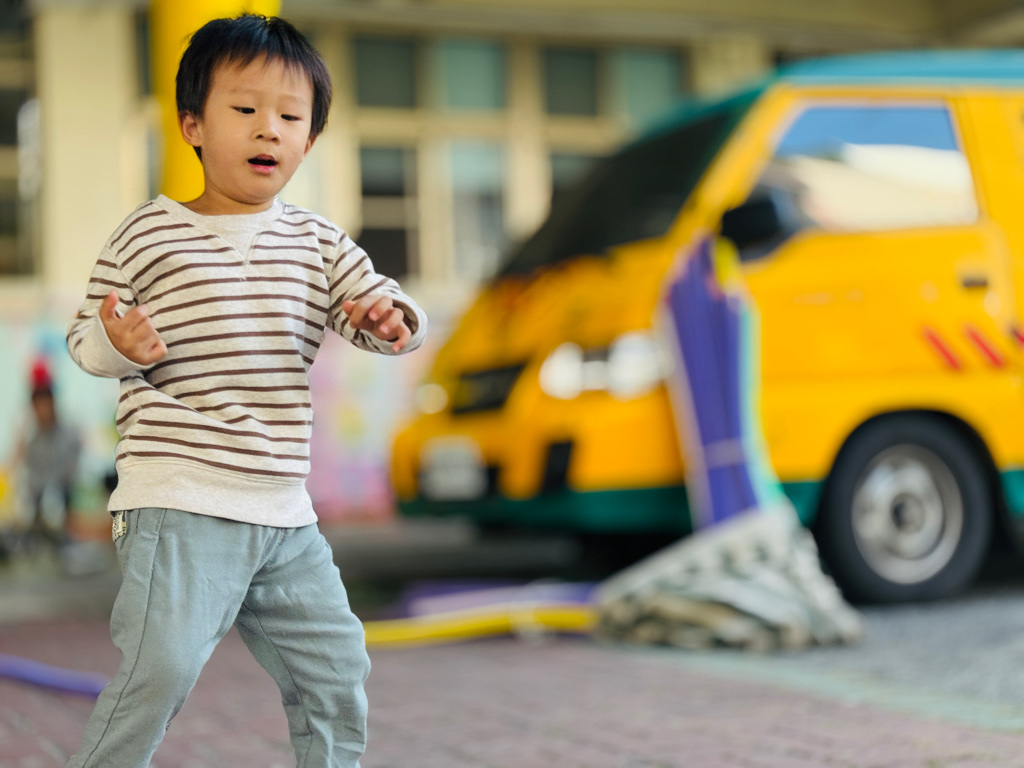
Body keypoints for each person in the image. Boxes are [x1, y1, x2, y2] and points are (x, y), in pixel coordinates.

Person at [63, 14, 426, 768]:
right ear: (193, 125)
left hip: (284, 513)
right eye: (245, 109)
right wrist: (116, 343)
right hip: (181, 497)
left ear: (309, 142)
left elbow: (374, 308)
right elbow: (86, 338)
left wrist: (390, 319)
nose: (269, 129)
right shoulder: (147, 234)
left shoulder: (318, 242)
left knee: (335, 672)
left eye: (291, 117)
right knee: (158, 673)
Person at [19, 361, 81, 549]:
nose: (42, 411)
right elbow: (30, 478)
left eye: (45, 405)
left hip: (66, 509)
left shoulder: (69, 436)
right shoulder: (32, 442)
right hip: (39, 515)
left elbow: (70, 474)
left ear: (53, 403)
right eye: (37, 407)